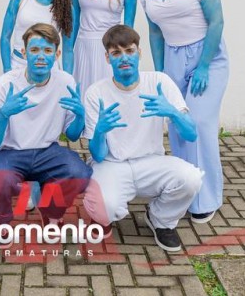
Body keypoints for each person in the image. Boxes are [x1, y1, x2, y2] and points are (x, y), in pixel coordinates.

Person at [139, 0, 229, 224]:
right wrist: (161, 73)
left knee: (200, 123)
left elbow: (217, 21)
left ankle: (207, 198)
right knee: (178, 125)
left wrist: (203, 66)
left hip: (207, 56)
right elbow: (154, 32)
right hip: (173, 57)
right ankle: (184, 189)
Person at [82, 24, 202, 252]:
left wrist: (173, 113)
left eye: (129, 50)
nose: (124, 58)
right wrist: (100, 131)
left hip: (151, 161)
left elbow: (191, 134)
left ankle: (161, 219)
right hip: (111, 163)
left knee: (191, 178)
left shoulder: (159, 82)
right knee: (104, 208)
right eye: (116, 53)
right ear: (107, 58)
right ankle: (101, 217)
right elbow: (97, 155)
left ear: (139, 52)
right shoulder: (96, 92)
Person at [0, 23, 91, 230]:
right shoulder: (4, 85)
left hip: (46, 151)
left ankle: (50, 210)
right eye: (34, 49)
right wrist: (4, 114)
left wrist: (80, 116)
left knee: (80, 174)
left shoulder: (65, 81)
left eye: (48, 50)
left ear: (57, 54)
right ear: (24, 53)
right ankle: (0, 222)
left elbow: (72, 135)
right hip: (8, 152)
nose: (41, 56)